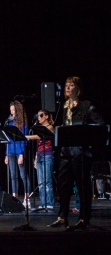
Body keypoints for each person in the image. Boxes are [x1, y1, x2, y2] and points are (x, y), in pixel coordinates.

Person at [48, 77, 105, 230]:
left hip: (80, 153)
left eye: (71, 85)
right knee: (63, 186)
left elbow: (100, 125)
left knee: (83, 187)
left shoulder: (86, 106)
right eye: (66, 84)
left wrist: (87, 136)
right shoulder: (64, 106)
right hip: (65, 152)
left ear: (78, 89)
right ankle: (62, 217)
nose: (67, 87)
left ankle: (83, 219)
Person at [5, 101, 30, 207]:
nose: (12, 113)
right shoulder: (9, 123)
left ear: (18, 110)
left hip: (19, 151)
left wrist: (21, 154)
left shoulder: (23, 123)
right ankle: (14, 198)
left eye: (13, 110)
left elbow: (24, 140)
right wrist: (6, 154)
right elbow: (7, 140)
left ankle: (26, 198)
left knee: (23, 175)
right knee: (13, 176)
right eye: (10, 111)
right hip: (10, 151)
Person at [31, 109, 55, 210]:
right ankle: (43, 203)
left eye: (41, 115)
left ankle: (49, 203)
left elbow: (38, 137)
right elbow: (38, 145)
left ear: (47, 116)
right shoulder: (39, 128)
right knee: (40, 182)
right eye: (38, 115)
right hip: (40, 156)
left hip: (47, 156)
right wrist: (36, 159)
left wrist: (26, 137)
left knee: (47, 181)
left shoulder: (50, 127)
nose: (39, 117)